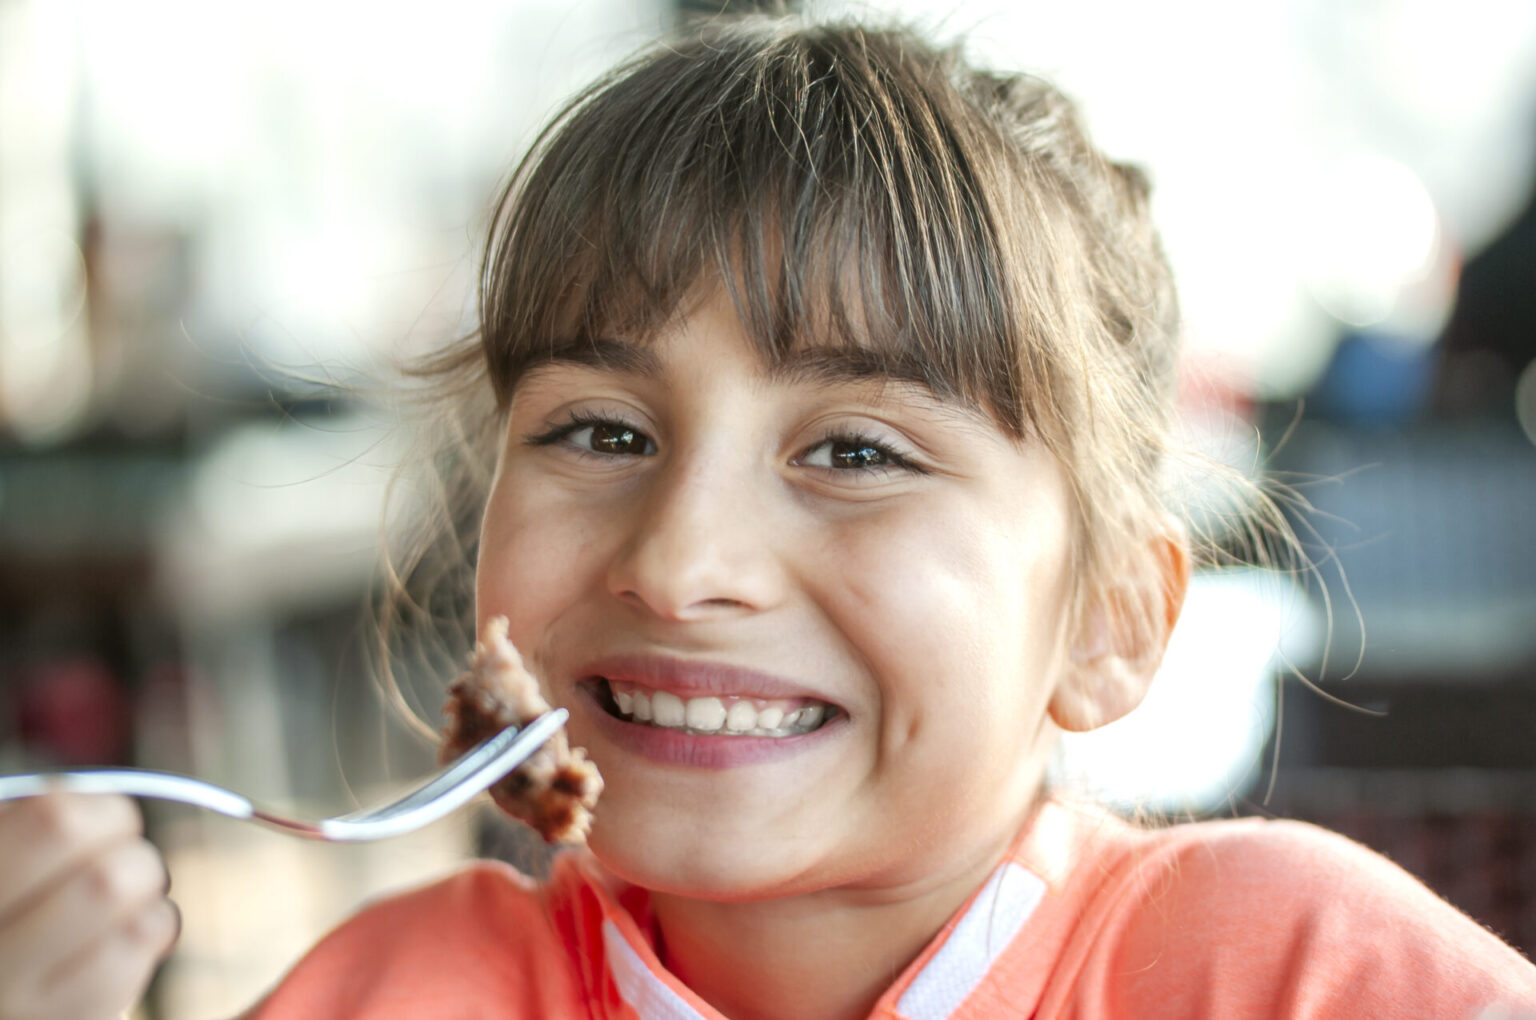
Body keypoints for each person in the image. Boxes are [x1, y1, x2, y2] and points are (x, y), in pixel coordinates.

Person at [3, 14, 1534, 1020]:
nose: (681, 564)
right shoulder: (405, 991)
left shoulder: (1293, 975)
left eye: (857, 453)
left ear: (1109, 620)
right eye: (602, 431)